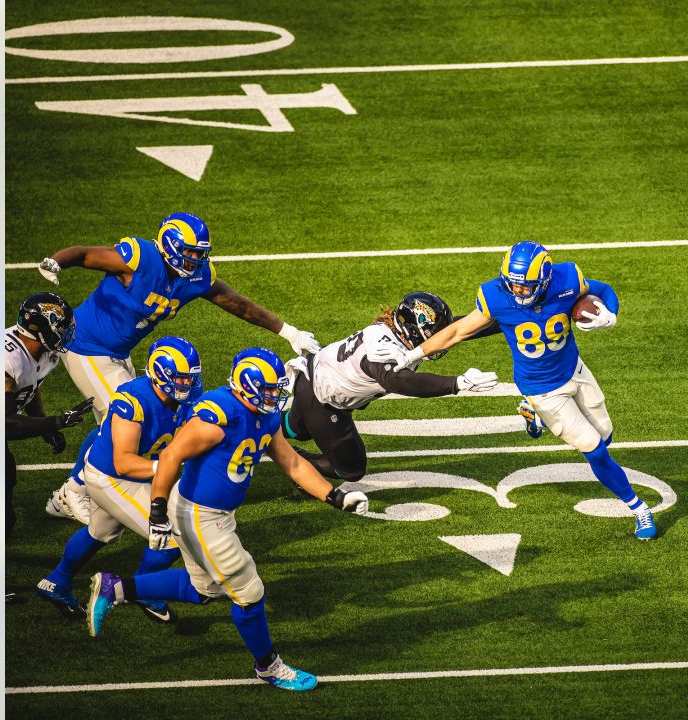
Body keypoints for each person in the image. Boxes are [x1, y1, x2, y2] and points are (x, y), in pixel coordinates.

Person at [84, 348, 369, 692]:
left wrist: (334, 496)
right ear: (247, 386)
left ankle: (117, 589)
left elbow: (292, 463)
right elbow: (172, 456)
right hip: (199, 515)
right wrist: (156, 510)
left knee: (203, 589)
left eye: (277, 389)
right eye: (268, 390)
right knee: (250, 593)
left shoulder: (265, 416)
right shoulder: (217, 417)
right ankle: (269, 667)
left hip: (217, 513)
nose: (275, 396)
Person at [36, 212, 323, 525]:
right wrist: (56, 262)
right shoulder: (141, 258)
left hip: (118, 351)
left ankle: (82, 488)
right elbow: (86, 254)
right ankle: (74, 490)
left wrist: (287, 331)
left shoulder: (196, 277)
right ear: (170, 245)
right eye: (190, 253)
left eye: (200, 254)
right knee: (123, 417)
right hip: (86, 346)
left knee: (125, 421)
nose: (196, 260)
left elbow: (237, 304)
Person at [371, 240, 657, 540]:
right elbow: (457, 331)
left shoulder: (568, 278)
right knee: (595, 451)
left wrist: (610, 315)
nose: (517, 292)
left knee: (606, 436)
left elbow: (605, 290)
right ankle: (637, 507)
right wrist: (413, 355)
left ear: (545, 279)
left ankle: (533, 415)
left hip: (575, 369)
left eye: (525, 286)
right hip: (542, 388)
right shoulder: (495, 296)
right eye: (513, 285)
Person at [36, 337, 204, 624]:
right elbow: (123, 461)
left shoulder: (182, 398)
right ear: (160, 375)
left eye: (191, 379)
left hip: (131, 473)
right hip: (111, 477)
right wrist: (166, 466)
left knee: (100, 532)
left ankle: (56, 581)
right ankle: (144, 589)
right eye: (181, 379)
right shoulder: (132, 400)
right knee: (173, 536)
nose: (187, 385)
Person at [282, 291, 499, 483]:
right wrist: (457, 383)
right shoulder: (384, 348)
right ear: (413, 330)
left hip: (314, 378)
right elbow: (400, 382)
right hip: (323, 398)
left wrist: (509, 320)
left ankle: (259, 428)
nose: (439, 338)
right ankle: (293, 463)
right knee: (351, 470)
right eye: (434, 332)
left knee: (297, 428)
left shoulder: (398, 334)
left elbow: (457, 330)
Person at [5, 292, 94, 603]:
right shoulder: (7, 358)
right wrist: (55, 423)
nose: (66, 332)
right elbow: (2, 423)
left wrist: (42, 424)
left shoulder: (43, 353)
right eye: (60, 326)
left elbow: (30, 390)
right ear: (40, 327)